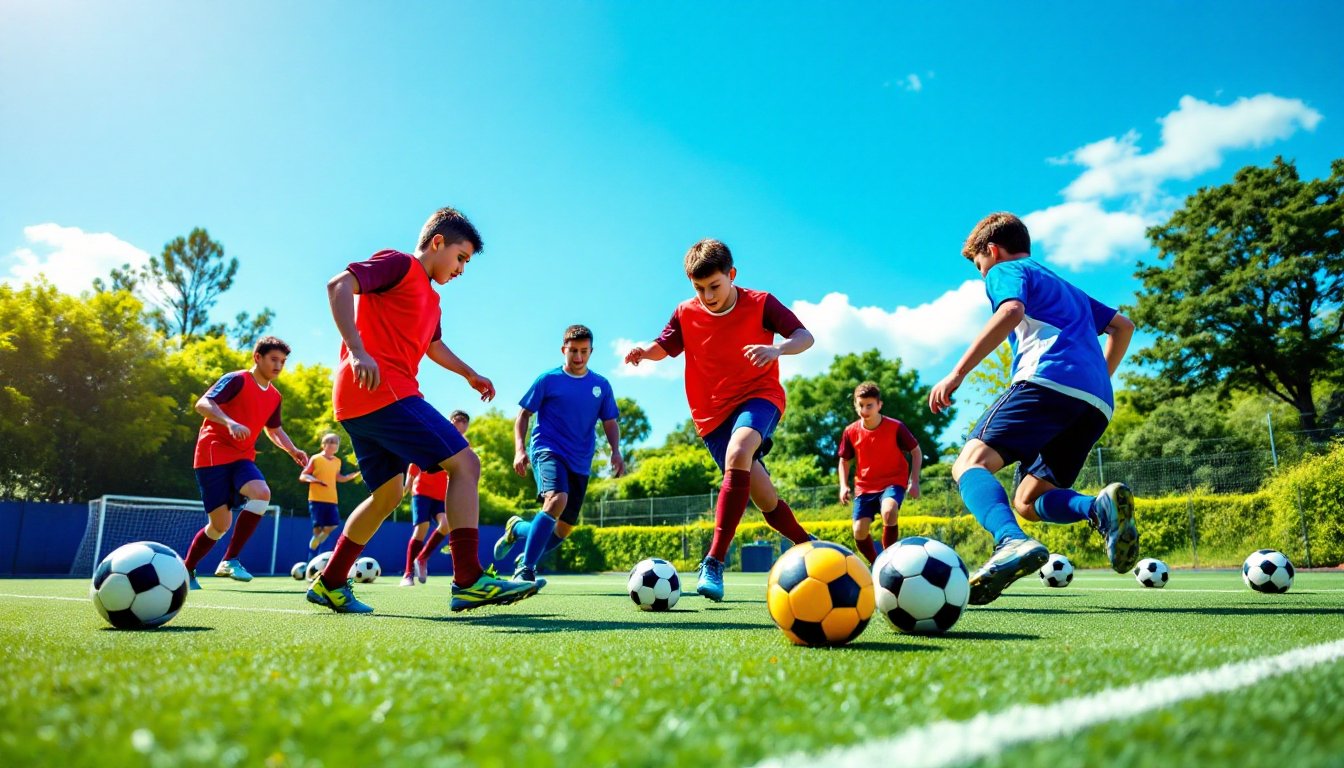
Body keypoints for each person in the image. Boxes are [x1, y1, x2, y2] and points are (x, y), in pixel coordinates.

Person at [308, 206, 538, 613]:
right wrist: (358, 351)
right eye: (461, 258)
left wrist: (470, 373)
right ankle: (468, 579)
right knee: (466, 464)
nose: (462, 269)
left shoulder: (432, 300)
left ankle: (330, 582)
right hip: (384, 392)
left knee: (387, 495)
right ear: (437, 243)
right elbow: (337, 284)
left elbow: (433, 346)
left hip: (360, 404)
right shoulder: (399, 264)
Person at [928, 212, 1138, 605]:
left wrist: (956, 373)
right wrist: (1095, 380)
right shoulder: (1065, 286)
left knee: (970, 463)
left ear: (991, 251)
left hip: (1046, 380)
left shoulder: (1006, 269)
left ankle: (1008, 542)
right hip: (1095, 403)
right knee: (1028, 500)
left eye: (979, 265)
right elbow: (1123, 326)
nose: (982, 275)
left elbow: (1010, 312)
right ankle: (1097, 508)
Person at [624, 238, 814, 601]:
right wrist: (643, 353)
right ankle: (809, 545)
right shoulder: (685, 312)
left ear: (732, 275)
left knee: (739, 450)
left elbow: (804, 336)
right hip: (711, 417)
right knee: (766, 500)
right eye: (699, 288)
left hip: (760, 397)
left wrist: (777, 348)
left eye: (715, 286)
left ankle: (713, 560)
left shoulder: (761, 303)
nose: (708, 296)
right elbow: (663, 345)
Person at [490, 325, 622, 584]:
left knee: (563, 529)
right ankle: (526, 568)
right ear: (563, 350)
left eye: (584, 351)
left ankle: (517, 529)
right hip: (547, 449)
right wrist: (519, 449)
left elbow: (609, 421)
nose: (578, 357)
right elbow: (523, 415)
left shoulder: (601, 386)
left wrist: (616, 452)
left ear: (591, 352)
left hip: (581, 461)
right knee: (556, 499)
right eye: (573, 351)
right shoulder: (548, 380)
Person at [184, 336, 308, 589]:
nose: (278, 365)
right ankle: (186, 569)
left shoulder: (274, 396)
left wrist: (292, 449)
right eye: (273, 359)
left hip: (242, 457)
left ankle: (230, 559)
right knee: (219, 526)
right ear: (257, 357)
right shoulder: (237, 379)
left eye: (283, 361)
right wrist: (229, 422)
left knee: (262, 493)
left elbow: (273, 430)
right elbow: (202, 404)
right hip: (213, 454)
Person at [837, 381, 923, 565]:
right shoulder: (850, 431)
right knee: (859, 531)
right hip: (864, 487)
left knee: (889, 511)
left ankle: (889, 559)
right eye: (860, 405)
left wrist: (914, 481)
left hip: (893, 482)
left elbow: (916, 451)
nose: (864, 409)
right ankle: (878, 565)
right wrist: (844, 485)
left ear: (879, 405)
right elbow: (844, 460)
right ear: (855, 404)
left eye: (870, 405)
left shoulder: (896, 427)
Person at [400, 410, 470, 586]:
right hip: (422, 490)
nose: (461, 423)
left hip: (441, 494)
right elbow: (418, 456)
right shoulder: (437, 434)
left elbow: (463, 470)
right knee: (421, 528)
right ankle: (408, 574)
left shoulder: (464, 445)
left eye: (465, 421)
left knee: (446, 524)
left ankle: (422, 558)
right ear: (451, 421)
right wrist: (409, 478)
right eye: (458, 419)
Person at [299, 432, 360, 558]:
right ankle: (312, 560)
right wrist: (314, 480)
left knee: (333, 524)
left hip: (332, 499)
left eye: (335, 442)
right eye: (330, 442)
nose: (333, 445)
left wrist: (350, 477)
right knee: (317, 528)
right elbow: (303, 475)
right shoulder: (316, 458)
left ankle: (316, 546)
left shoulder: (337, 461)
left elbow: (338, 478)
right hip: (316, 498)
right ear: (323, 445)